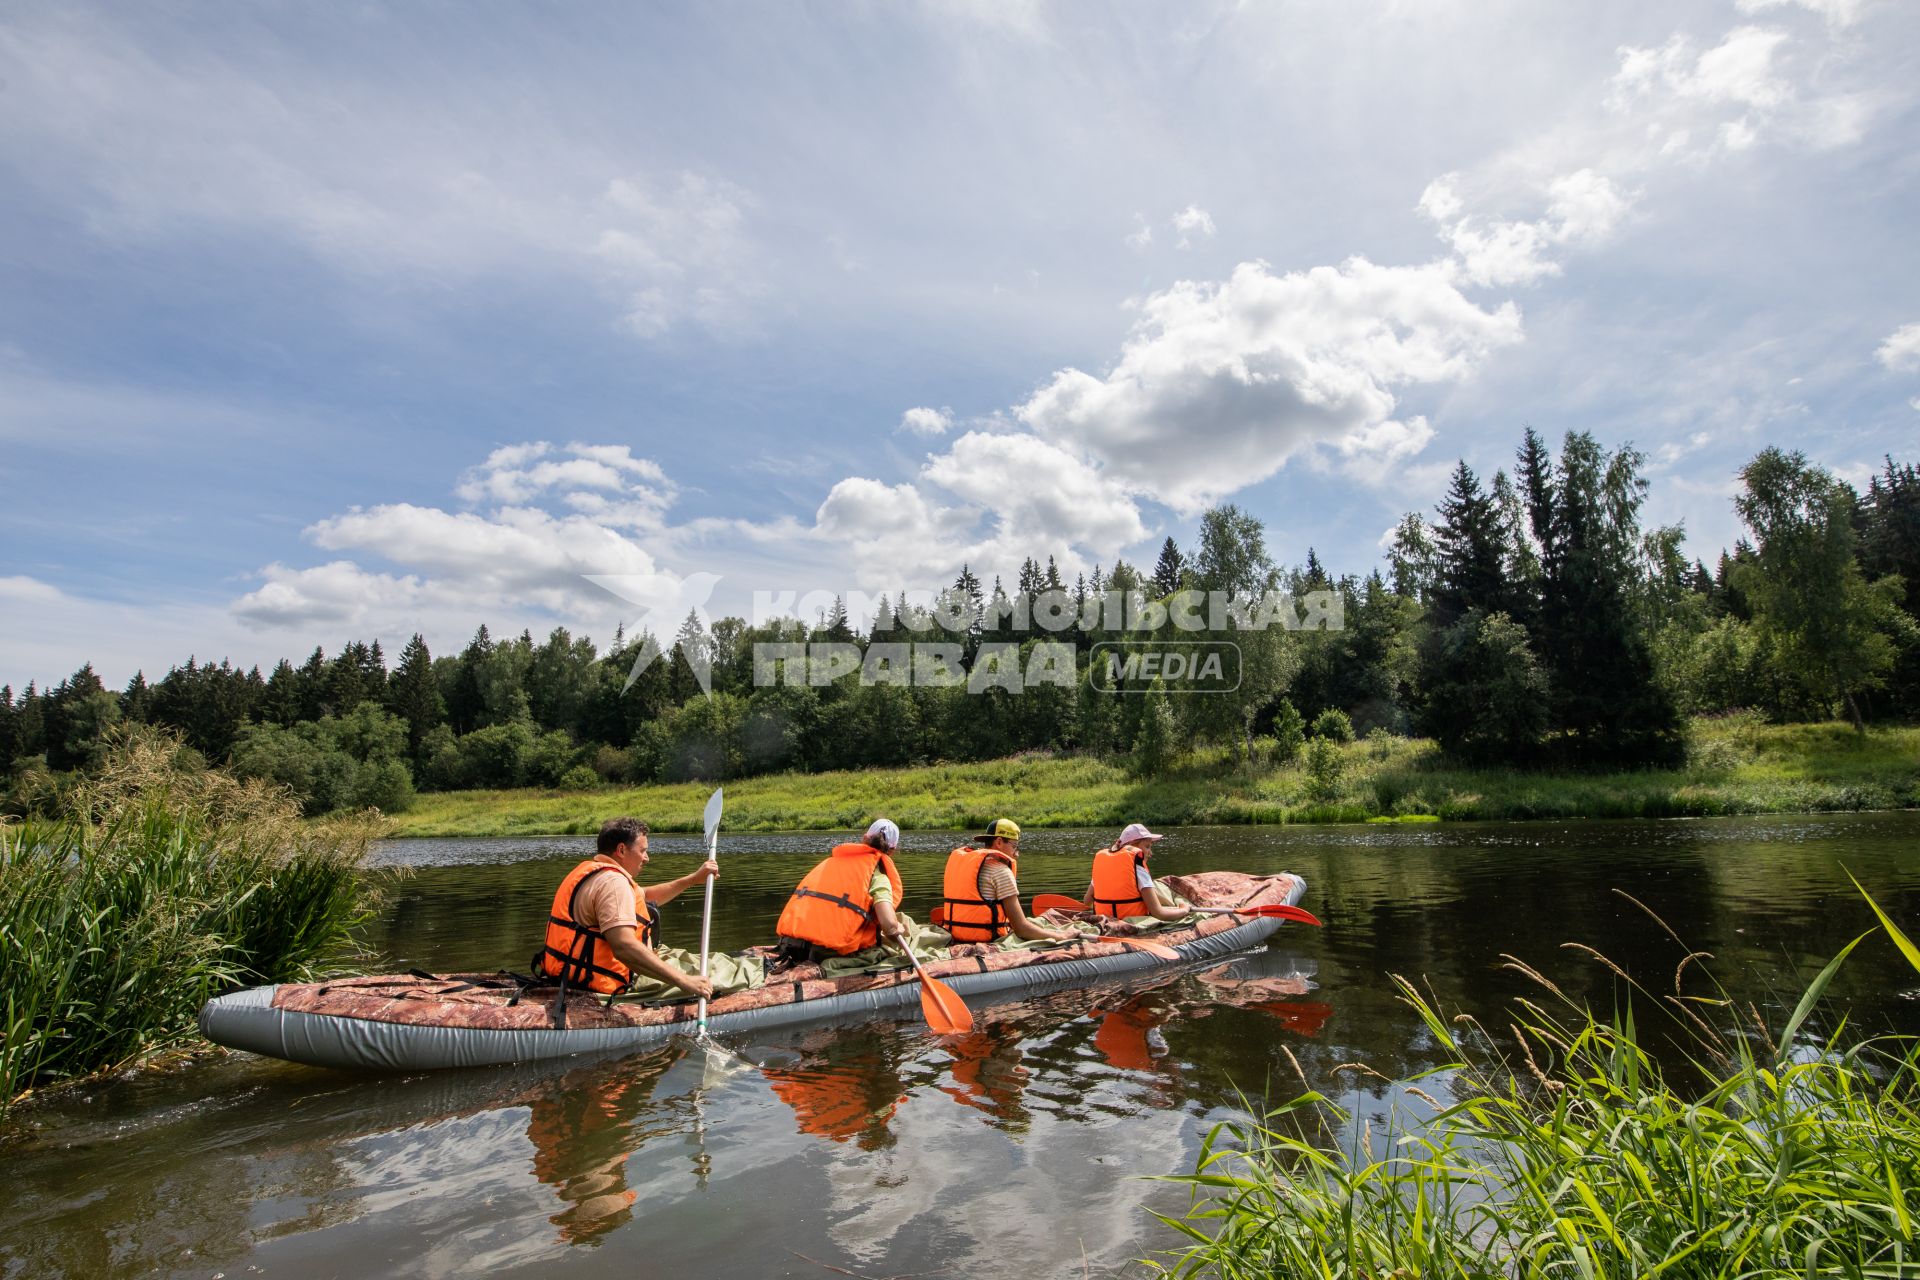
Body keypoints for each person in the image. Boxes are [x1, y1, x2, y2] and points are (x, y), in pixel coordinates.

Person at [534, 817, 717, 1001]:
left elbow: (645, 896)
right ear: (621, 850)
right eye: (643, 851)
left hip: (569, 972)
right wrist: (684, 981)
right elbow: (624, 946)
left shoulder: (594, 872)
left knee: (703, 960)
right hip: (605, 982)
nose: (646, 858)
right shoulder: (614, 884)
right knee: (718, 973)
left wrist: (692, 879)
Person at [773, 818, 908, 966]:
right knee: (897, 931)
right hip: (825, 953)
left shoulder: (829, 862)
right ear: (892, 850)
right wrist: (897, 929)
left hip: (789, 944)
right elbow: (889, 925)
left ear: (864, 838)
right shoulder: (877, 876)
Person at [941, 818, 1076, 945]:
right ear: (999, 842)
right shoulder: (1001, 871)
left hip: (956, 937)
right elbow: (1021, 929)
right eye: (1014, 846)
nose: (1017, 853)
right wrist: (1061, 937)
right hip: (988, 942)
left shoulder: (965, 865)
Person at [1083, 822, 1189, 923]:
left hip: (1105, 920)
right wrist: (1184, 910)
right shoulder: (1138, 866)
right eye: (1147, 847)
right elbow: (1159, 914)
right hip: (1132, 923)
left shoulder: (1104, 863)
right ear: (1131, 845)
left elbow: (1087, 901)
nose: (1150, 853)